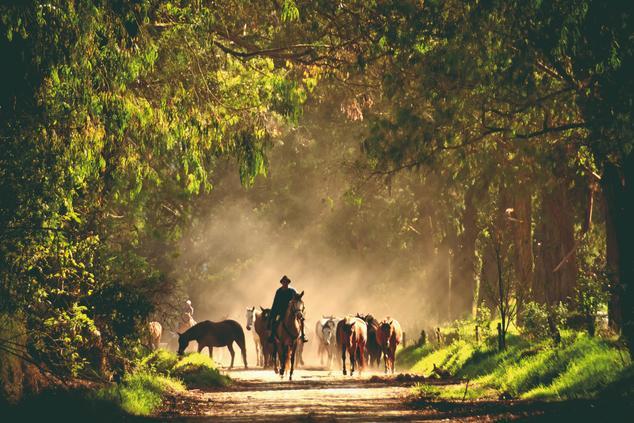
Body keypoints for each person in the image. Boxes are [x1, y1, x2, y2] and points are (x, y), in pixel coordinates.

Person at [268, 275, 308, 343]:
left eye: (286, 282)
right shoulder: (279, 291)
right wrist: (273, 312)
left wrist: (300, 296)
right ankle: (272, 335)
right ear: (282, 283)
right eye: (284, 282)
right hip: (280, 311)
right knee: (274, 321)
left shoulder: (292, 291)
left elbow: (297, 298)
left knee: (301, 319)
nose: (285, 284)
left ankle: (303, 335)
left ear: (288, 283)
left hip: (292, 310)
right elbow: (275, 302)